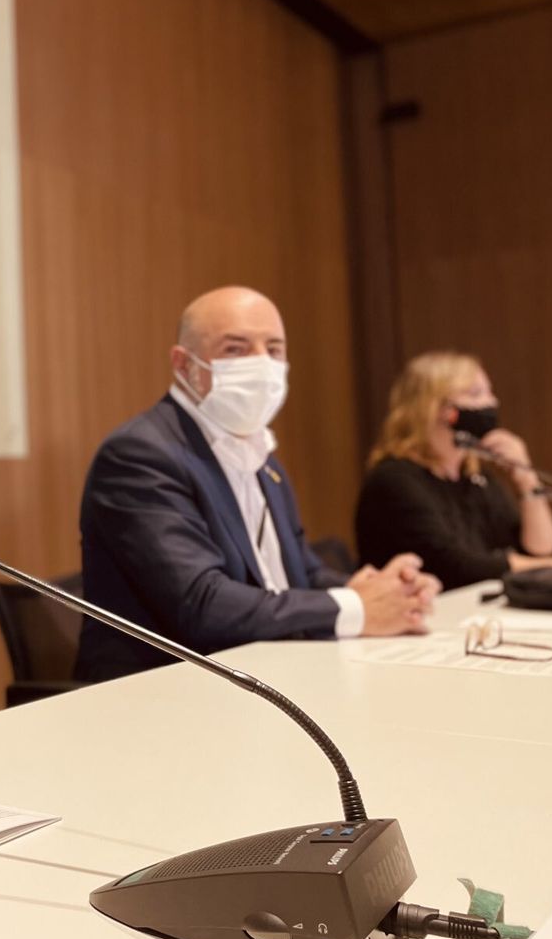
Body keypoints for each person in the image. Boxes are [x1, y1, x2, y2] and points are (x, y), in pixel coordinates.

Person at [77, 286, 438, 682]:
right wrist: (354, 607)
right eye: (236, 349)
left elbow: (300, 572)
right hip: (164, 695)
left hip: (266, 674)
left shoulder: (261, 457)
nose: (262, 365)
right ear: (184, 366)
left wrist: (384, 591)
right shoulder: (140, 456)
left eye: (274, 349)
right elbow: (203, 604)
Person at [355, 351, 552, 589]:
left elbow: (539, 547)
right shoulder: (394, 481)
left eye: (490, 392)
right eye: (476, 393)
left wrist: (526, 479)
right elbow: (460, 567)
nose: (491, 403)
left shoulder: (475, 477)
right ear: (437, 408)